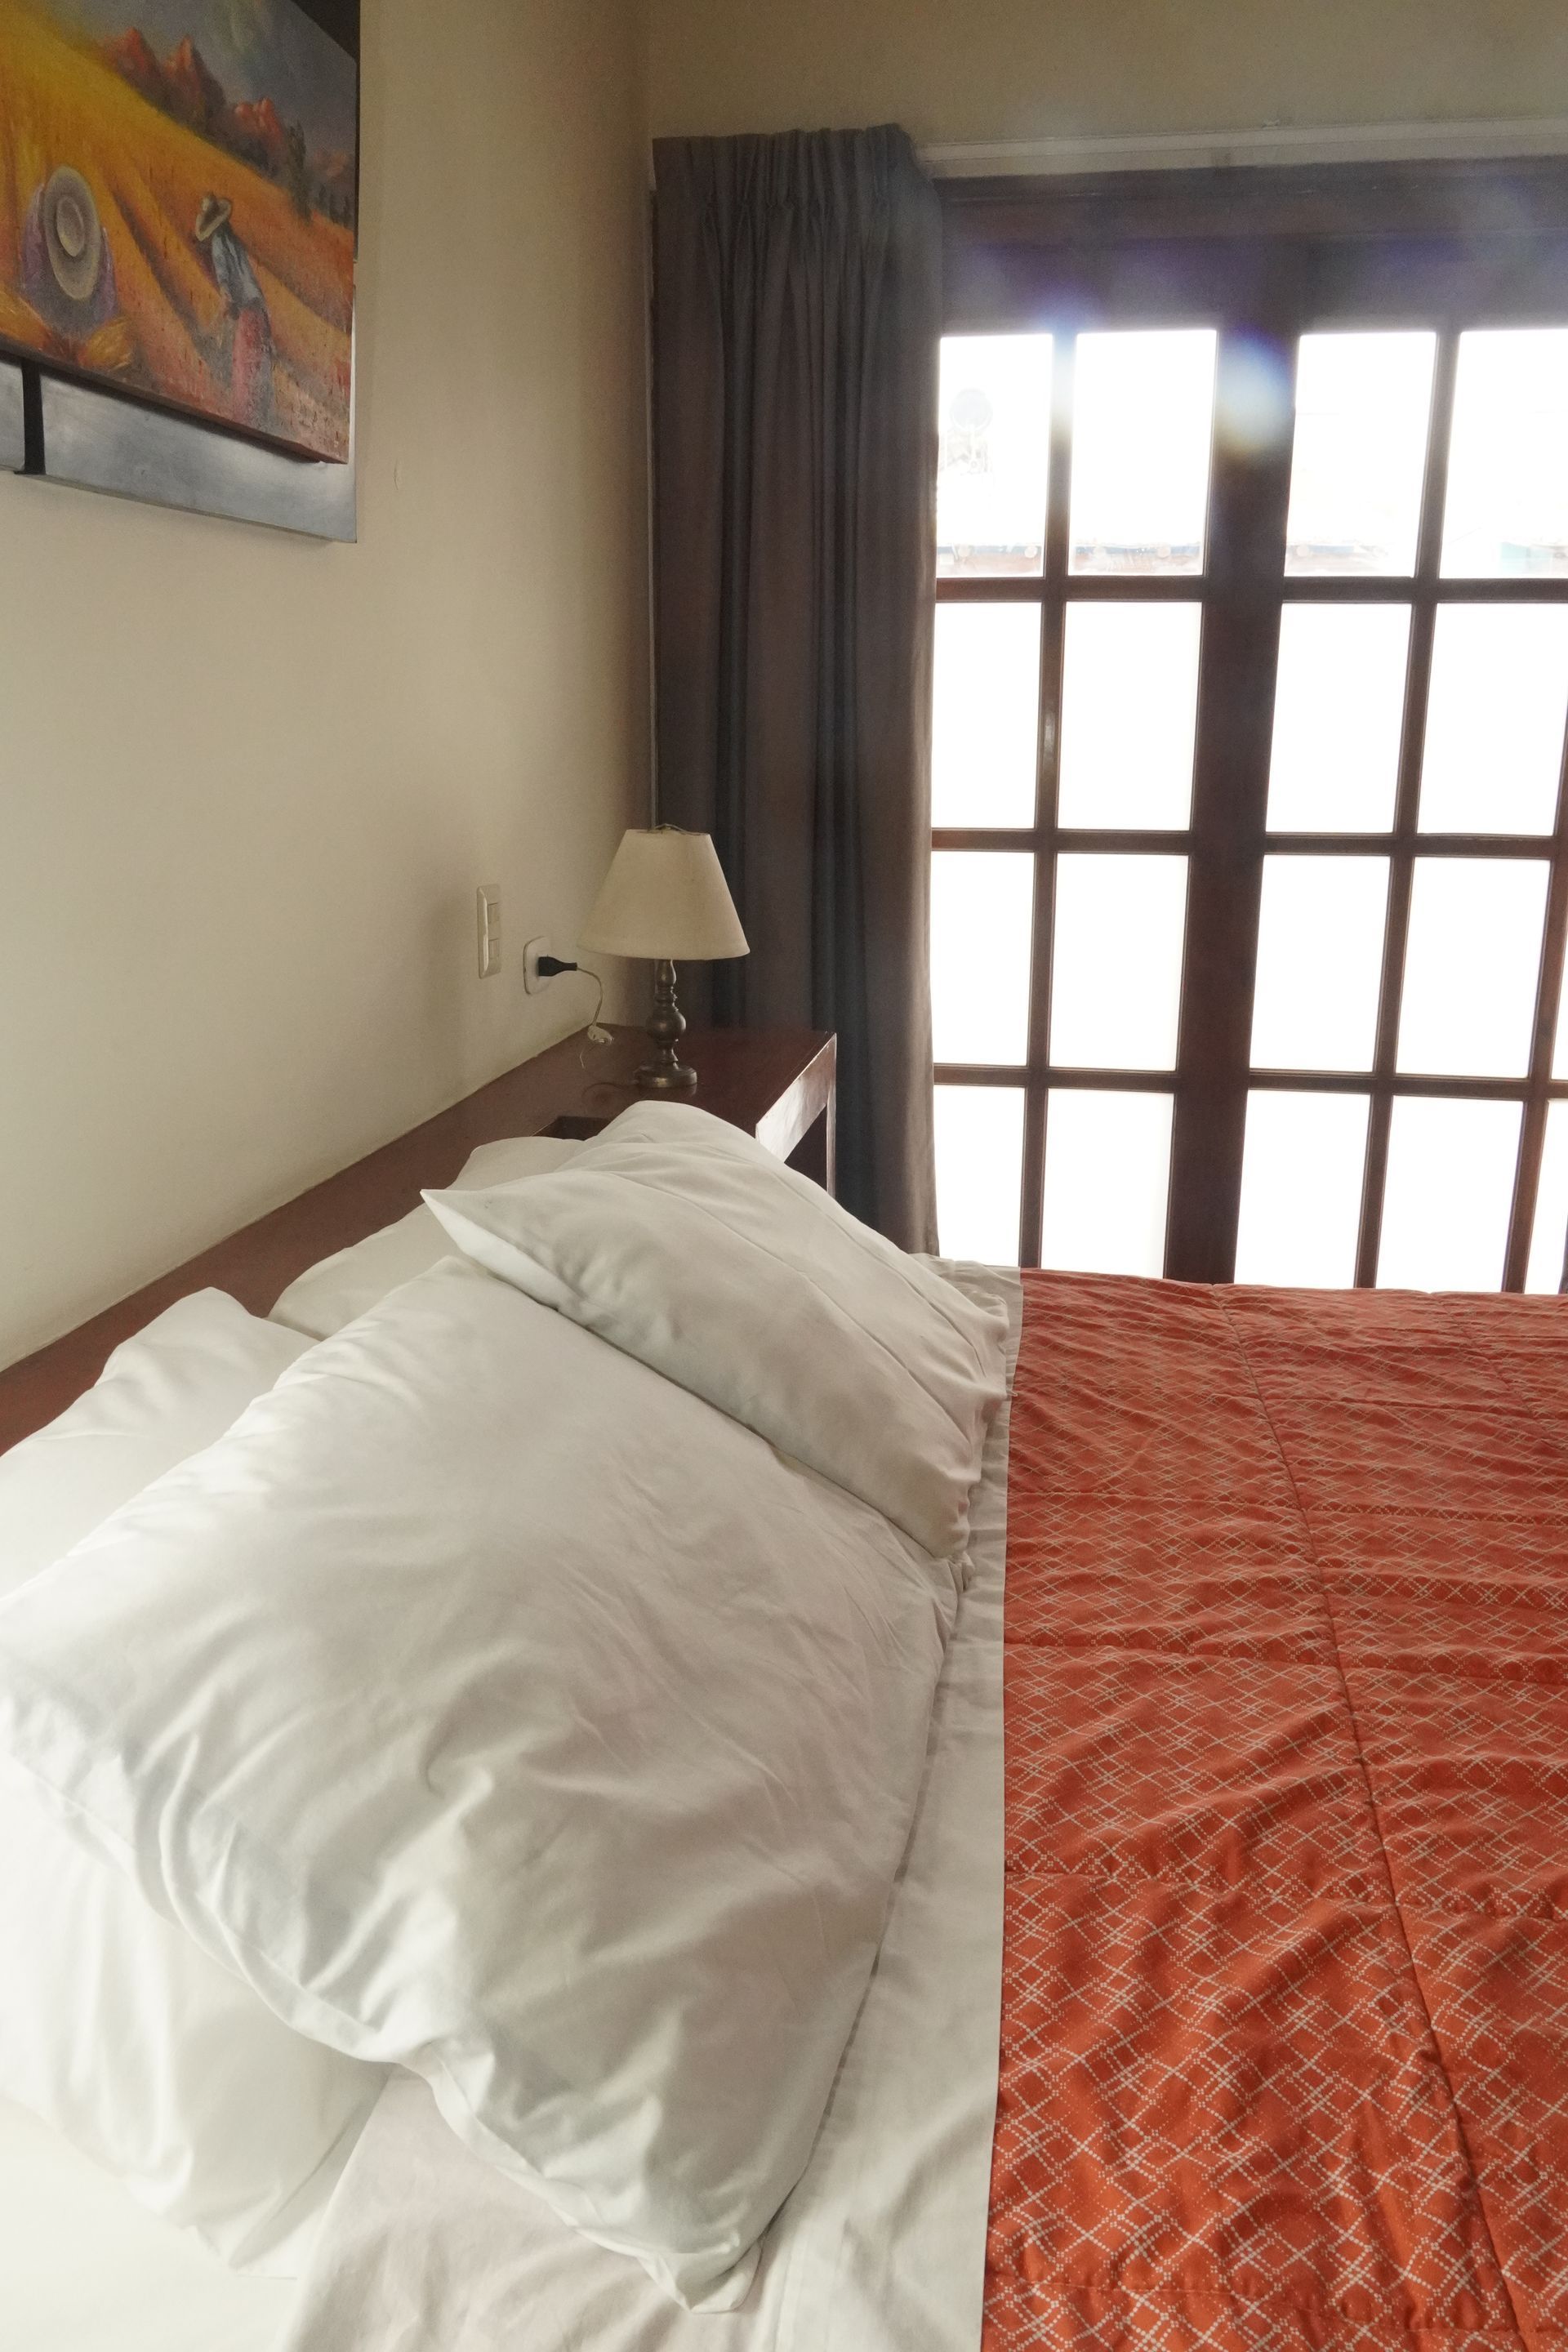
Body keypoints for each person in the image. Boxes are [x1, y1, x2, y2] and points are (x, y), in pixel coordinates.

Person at [194, 193, 274, 430]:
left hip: (248, 312)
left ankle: (246, 423)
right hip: (259, 310)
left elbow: (226, 287)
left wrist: (214, 323)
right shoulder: (235, 241)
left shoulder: (219, 242)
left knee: (244, 371)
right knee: (259, 366)